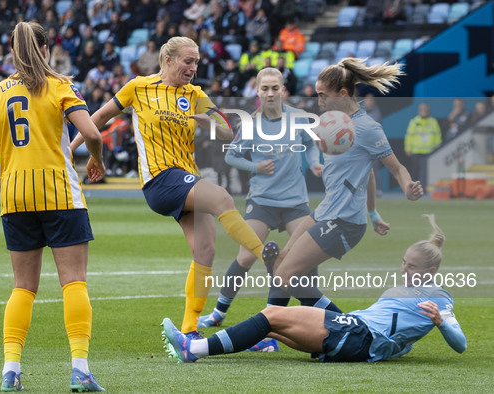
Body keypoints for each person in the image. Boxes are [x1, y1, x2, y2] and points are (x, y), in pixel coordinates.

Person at [71, 36, 268, 337]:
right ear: (168, 60)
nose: (193, 68)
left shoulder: (196, 93)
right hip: (160, 179)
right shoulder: (138, 87)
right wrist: (70, 151)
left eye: (197, 62)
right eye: (188, 61)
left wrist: (203, 119)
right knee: (223, 198)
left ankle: (189, 332)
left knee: (205, 250)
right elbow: (97, 117)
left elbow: (228, 131)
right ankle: (268, 255)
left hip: (187, 177)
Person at [0, 22, 106, 392]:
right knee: (73, 281)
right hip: (58, 193)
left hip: (15, 198)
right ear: (46, 49)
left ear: (13, 51)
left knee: (23, 287)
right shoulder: (60, 85)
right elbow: (90, 132)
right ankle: (80, 370)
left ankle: (10, 371)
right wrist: (97, 159)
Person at [163, 214, 466, 363]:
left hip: (359, 336)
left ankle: (194, 350)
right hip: (356, 329)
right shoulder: (403, 291)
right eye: (403, 263)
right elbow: (400, 333)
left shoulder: (438, 296)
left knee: (271, 315)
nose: (404, 270)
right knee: (283, 305)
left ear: (431, 271)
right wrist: (399, 345)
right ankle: (275, 304)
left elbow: (459, 342)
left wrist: (440, 323)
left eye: (412, 267)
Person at [257, 58, 424, 311]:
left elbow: (397, 168)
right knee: (281, 265)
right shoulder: (334, 124)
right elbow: (366, 173)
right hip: (325, 212)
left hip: (343, 221)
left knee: (284, 275)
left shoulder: (368, 128)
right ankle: (270, 331)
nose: (319, 101)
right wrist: (374, 213)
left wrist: (408, 187)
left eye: (323, 96)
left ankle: (344, 327)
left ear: (343, 93)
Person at [198, 68, 323, 345]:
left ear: (283, 90)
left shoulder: (299, 118)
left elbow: (310, 145)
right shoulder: (251, 124)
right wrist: (255, 166)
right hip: (263, 201)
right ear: (257, 91)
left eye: (274, 88)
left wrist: (314, 162)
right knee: (246, 257)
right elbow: (232, 156)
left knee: (306, 256)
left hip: (295, 202)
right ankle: (218, 313)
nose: (270, 93)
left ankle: (311, 314)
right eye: (264, 88)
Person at [404, 103, 441, 188]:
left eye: (426, 110)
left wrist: (437, 149)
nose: (424, 112)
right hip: (416, 151)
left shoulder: (433, 122)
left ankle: (426, 189)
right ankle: (412, 189)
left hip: (430, 152)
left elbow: (437, 136)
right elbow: (409, 136)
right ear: (419, 111)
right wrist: (407, 148)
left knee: (428, 172)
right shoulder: (414, 122)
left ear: (429, 111)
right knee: (414, 171)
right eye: (422, 110)